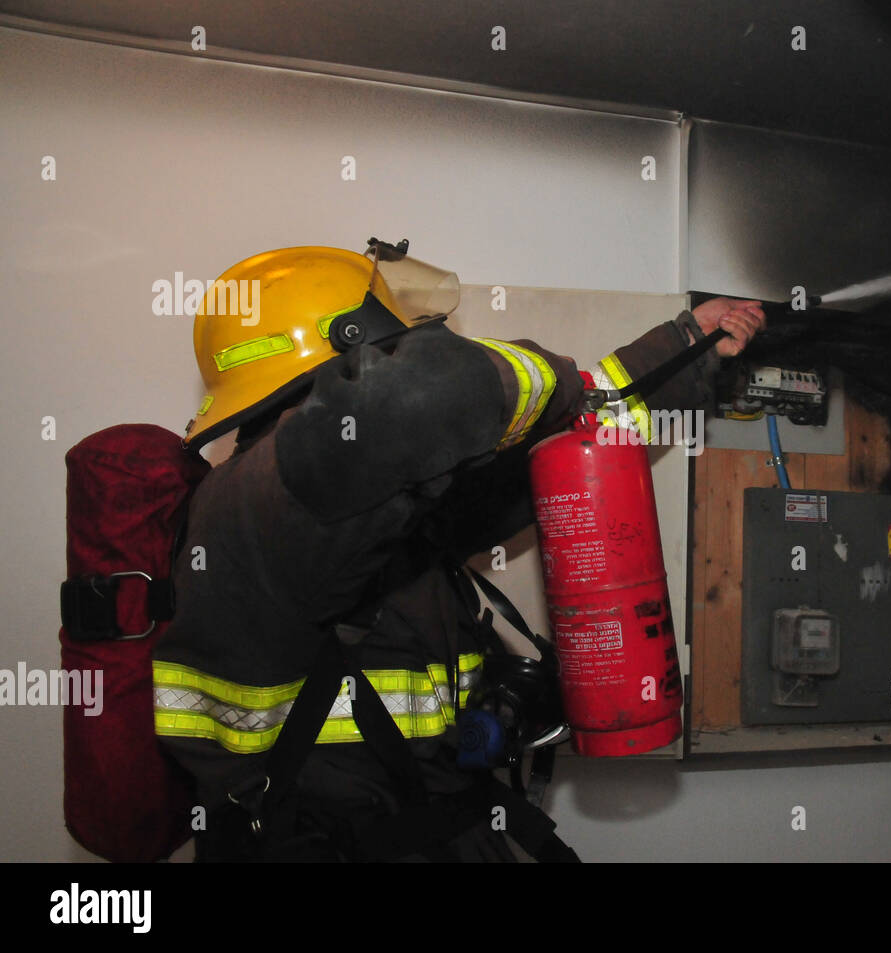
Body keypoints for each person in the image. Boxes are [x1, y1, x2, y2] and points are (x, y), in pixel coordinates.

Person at [151, 240, 765, 861]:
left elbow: (566, 441)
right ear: (342, 345)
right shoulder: (271, 500)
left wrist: (686, 345)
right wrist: (558, 378)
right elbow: (442, 394)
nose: (394, 353)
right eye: (382, 343)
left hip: (423, 826)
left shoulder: (351, 502)